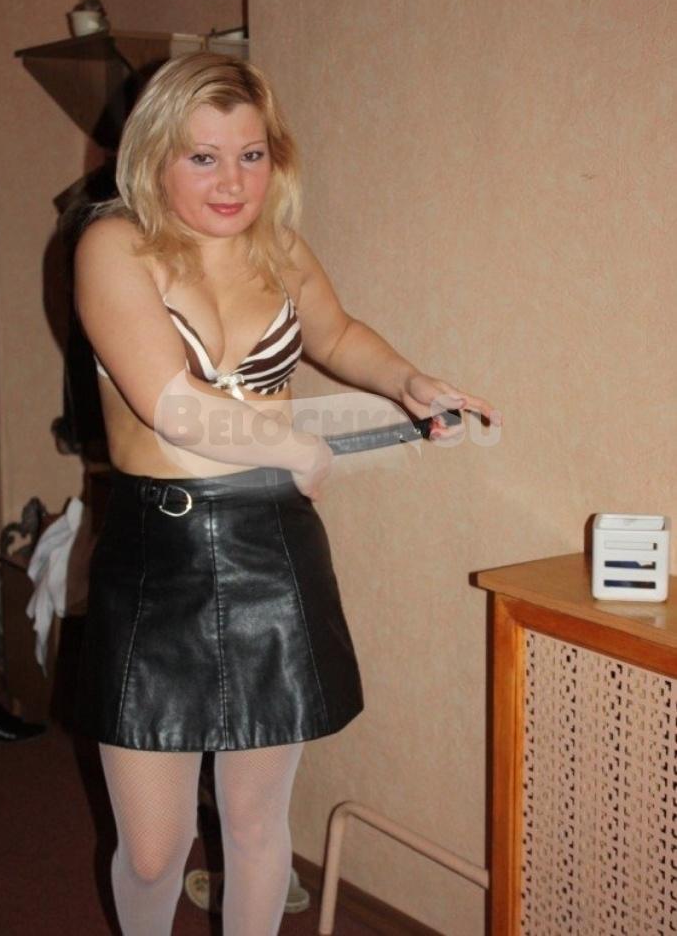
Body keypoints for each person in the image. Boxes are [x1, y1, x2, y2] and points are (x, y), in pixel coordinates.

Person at [73, 52, 500, 936]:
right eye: (203, 157)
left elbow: (335, 334)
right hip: (159, 558)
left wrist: (409, 381)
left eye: (252, 155)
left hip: (271, 549)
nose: (232, 182)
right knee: (151, 850)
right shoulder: (113, 245)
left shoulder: (280, 250)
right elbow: (170, 404)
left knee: (258, 825)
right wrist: (293, 444)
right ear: (154, 156)